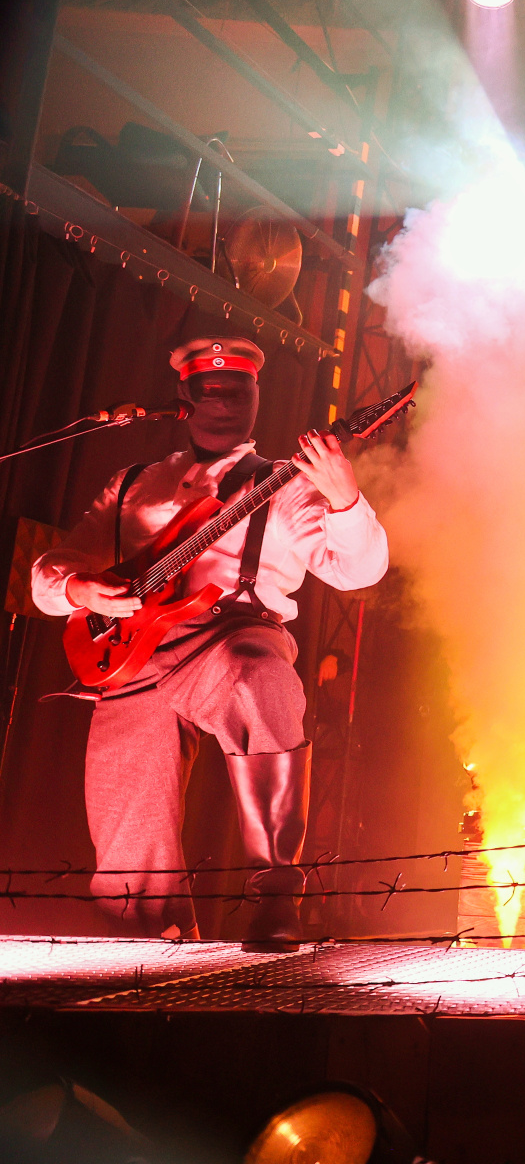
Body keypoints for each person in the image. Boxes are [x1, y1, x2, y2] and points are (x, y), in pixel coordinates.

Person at [33, 336, 389, 952]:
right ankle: (149, 946)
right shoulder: (131, 484)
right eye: (210, 389)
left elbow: (359, 571)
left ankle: (277, 895)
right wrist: (78, 587)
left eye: (237, 390)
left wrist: (344, 498)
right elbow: (50, 573)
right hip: (133, 652)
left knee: (260, 678)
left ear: (257, 396)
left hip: (234, 631)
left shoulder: (285, 485)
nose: (223, 401)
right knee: (124, 818)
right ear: (184, 396)